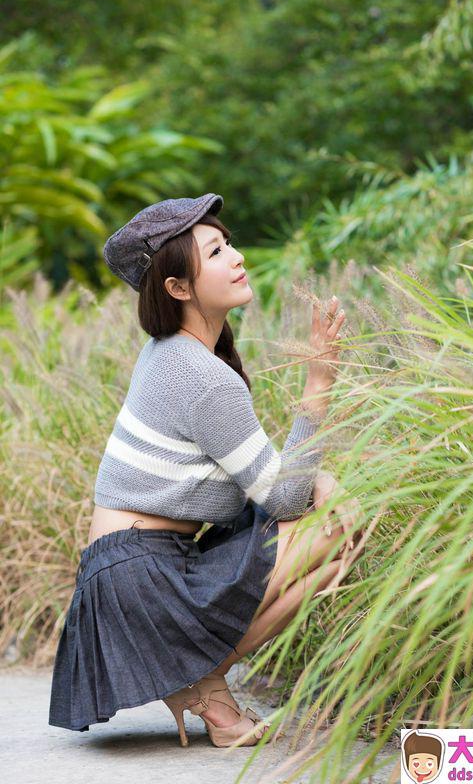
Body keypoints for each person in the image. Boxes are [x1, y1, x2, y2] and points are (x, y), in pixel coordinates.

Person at [48, 193, 362, 748]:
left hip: (129, 572)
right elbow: (283, 500)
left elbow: (264, 490)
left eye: (228, 242)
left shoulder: (172, 351)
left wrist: (318, 479)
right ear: (178, 288)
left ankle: (202, 684)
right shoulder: (200, 374)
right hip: (142, 579)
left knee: (330, 522)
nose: (236, 257)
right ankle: (202, 684)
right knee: (335, 529)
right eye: (216, 251)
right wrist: (318, 386)